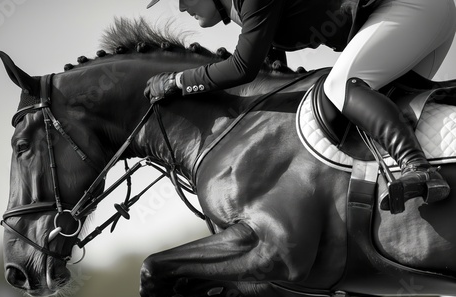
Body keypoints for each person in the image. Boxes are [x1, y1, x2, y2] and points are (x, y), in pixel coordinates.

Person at [144, 0, 456, 213]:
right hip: (425, 15)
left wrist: (178, 81)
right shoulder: (246, 9)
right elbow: (272, 74)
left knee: (340, 86)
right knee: (373, 110)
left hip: (410, 8)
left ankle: (420, 170)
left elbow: (242, 67)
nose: (181, 6)